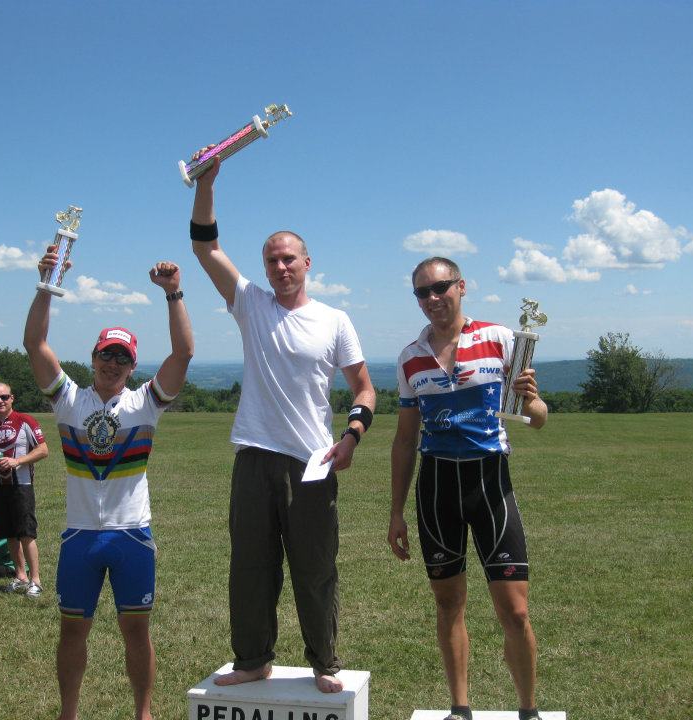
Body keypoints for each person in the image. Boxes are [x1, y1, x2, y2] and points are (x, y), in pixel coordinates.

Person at [189, 153, 376, 693]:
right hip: (254, 455)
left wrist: (352, 436)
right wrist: (207, 184)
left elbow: (365, 389)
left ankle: (325, 662)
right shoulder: (251, 303)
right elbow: (205, 247)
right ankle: (253, 660)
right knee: (250, 566)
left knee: (315, 569)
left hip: (313, 462)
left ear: (307, 262)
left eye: (289, 258)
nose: (280, 267)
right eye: (272, 260)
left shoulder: (334, 320)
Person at [24, 251, 194, 720]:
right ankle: (68, 714)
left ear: (132, 367)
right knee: (71, 632)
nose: (113, 363)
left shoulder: (144, 404)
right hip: (80, 535)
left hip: (131, 534)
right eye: (106, 354)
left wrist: (174, 293)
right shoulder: (68, 400)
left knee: (136, 633)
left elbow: (183, 354)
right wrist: (47, 285)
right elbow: (35, 343)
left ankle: (144, 713)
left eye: (123, 358)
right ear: (93, 357)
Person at [388, 257, 548, 720]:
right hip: (437, 487)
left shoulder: (500, 339)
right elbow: (404, 440)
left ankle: (528, 710)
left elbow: (537, 418)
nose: (433, 298)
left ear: (461, 286)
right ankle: (459, 708)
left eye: (440, 287)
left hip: (490, 483)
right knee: (448, 605)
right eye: (422, 292)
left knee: (515, 611)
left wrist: (533, 400)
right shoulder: (410, 357)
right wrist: (396, 512)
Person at [0, 383, 48, 599]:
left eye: (4, 397)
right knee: (9, 534)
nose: (0, 401)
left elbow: (43, 450)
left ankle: (35, 580)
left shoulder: (25, 421)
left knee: (26, 533)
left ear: (12, 398)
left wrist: (18, 461)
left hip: (21, 486)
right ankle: (20, 576)